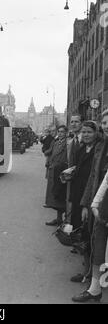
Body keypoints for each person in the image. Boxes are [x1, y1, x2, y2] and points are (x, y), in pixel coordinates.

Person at [72, 110, 108, 303]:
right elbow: (94, 177)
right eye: (104, 122)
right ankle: (94, 288)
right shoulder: (101, 147)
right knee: (97, 244)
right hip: (101, 205)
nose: (107, 125)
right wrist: (88, 204)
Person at [68, 121, 99, 283]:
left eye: (89, 132)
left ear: (96, 133)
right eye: (84, 132)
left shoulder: (98, 151)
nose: (86, 135)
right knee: (81, 235)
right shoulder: (81, 149)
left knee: (89, 236)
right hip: (78, 195)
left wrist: (86, 204)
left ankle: (91, 275)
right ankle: (86, 270)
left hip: (89, 199)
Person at [45, 126, 68, 226]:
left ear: (66, 133)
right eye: (59, 131)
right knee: (55, 195)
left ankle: (65, 220)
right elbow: (50, 152)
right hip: (53, 170)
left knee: (62, 195)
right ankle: (58, 219)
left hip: (62, 171)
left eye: (62, 132)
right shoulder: (55, 142)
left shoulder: (68, 143)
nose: (60, 133)